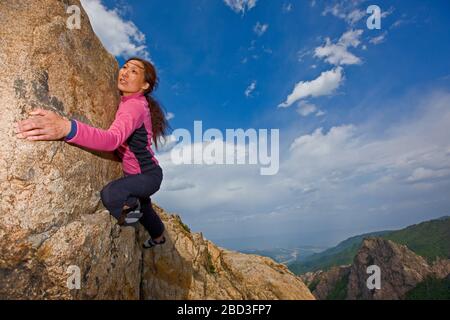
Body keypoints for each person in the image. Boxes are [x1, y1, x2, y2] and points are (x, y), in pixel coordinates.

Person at [15, 57, 170, 249]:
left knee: (112, 194)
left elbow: (112, 140)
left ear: (145, 85)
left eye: (134, 71)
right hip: (143, 175)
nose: (125, 72)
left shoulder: (134, 107)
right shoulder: (133, 101)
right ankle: (158, 237)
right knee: (147, 209)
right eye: (125, 67)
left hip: (148, 175)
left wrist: (66, 128)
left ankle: (133, 210)